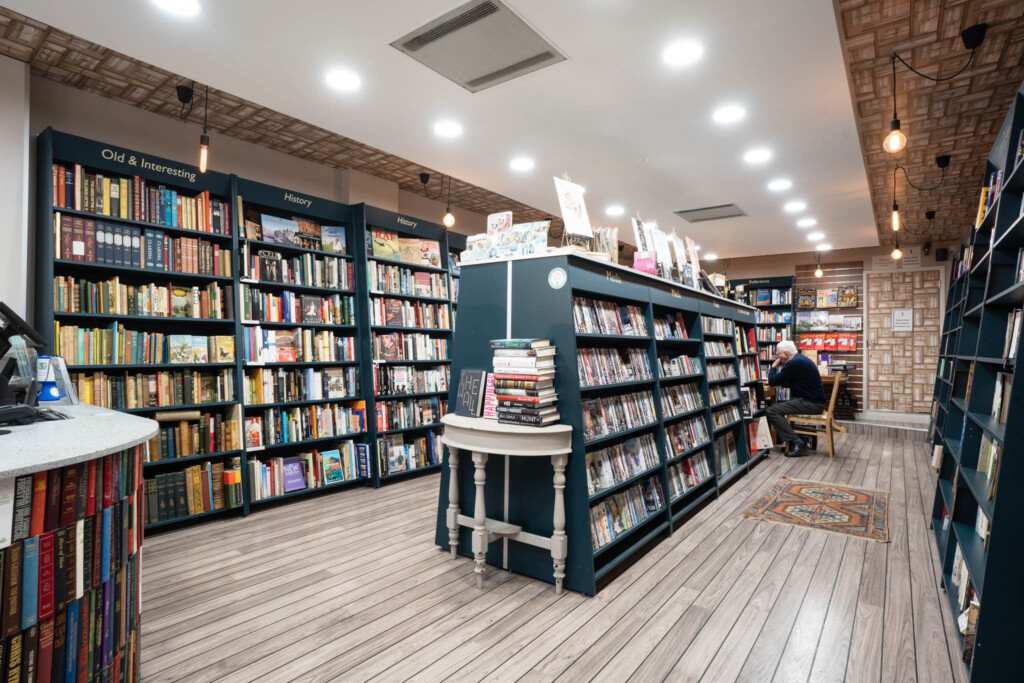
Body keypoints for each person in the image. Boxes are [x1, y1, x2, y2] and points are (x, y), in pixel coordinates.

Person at [765, 340, 826, 457]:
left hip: (811, 404)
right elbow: (795, 382)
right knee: (778, 409)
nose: (777, 357)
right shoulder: (799, 359)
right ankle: (792, 442)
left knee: (771, 411)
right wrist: (779, 380)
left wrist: (773, 367)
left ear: (787, 354)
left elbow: (773, 381)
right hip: (813, 401)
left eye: (778, 354)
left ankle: (798, 443)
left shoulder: (793, 363)